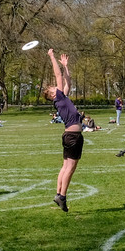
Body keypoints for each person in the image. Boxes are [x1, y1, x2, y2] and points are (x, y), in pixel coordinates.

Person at [44, 48, 82, 212]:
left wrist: (66, 66)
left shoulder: (62, 98)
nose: (56, 88)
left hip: (69, 135)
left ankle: (59, 193)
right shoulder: (58, 98)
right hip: (73, 136)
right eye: (53, 89)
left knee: (66, 166)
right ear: (53, 95)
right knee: (70, 167)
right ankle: (62, 196)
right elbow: (58, 77)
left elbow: (68, 82)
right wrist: (52, 57)